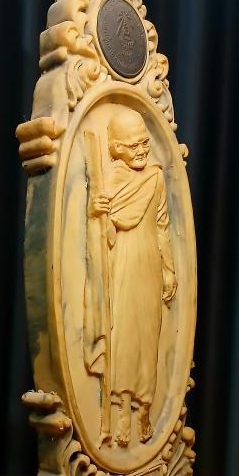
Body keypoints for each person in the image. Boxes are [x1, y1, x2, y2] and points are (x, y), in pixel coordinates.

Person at [84, 109, 177, 447]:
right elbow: (99, 237)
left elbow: (162, 227)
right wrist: (95, 213)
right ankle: (122, 409)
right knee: (123, 337)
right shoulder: (108, 181)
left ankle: (145, 408)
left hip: (149, 264)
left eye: (144, 143)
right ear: (116, 148)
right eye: (132, 145)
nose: (141, 151)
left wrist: (168, 270)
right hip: (121, 264)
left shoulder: (155, 177)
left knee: (148, 337)